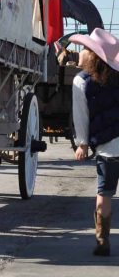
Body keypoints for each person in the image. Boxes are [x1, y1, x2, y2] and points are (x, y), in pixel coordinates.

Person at [69, 28, 119, 256]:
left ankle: (102, 242)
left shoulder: (81, 82)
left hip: (108, 148)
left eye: (85, 48)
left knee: (104, 193)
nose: (80, 52)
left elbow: (81, 117)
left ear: (92, 54)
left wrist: (82, 144)